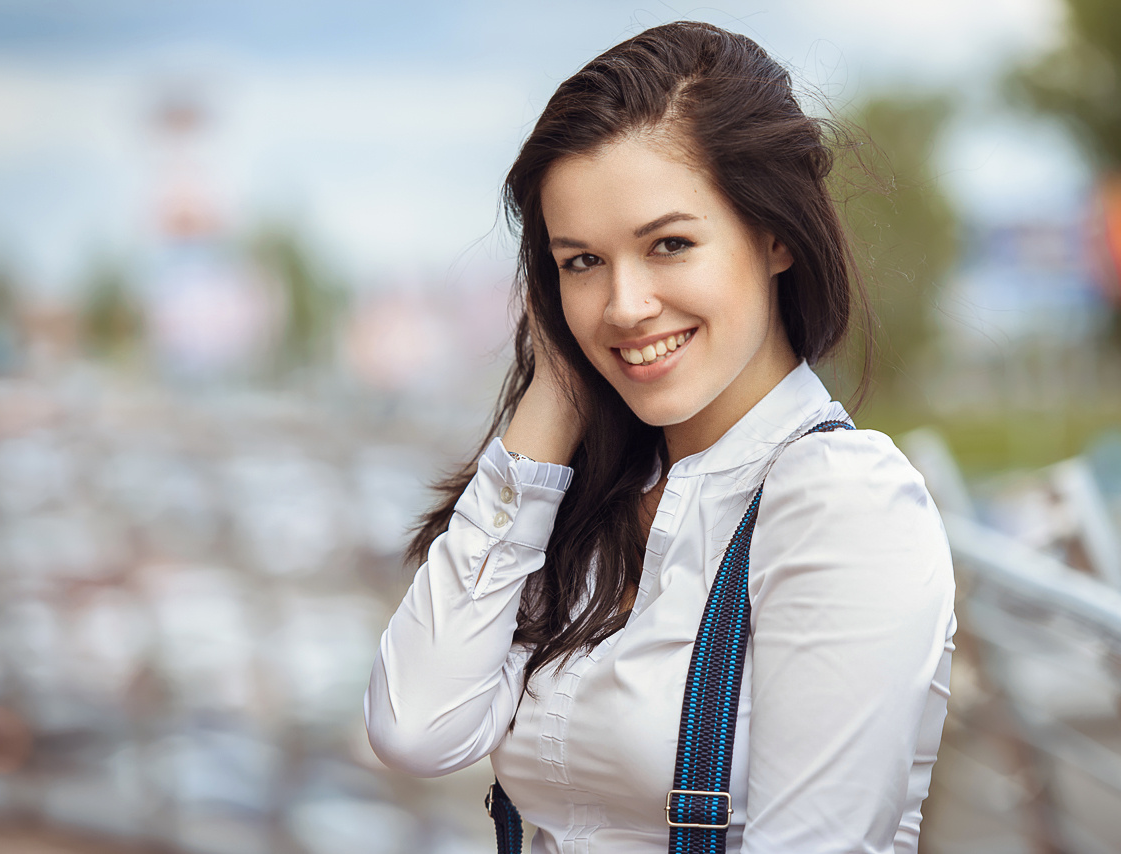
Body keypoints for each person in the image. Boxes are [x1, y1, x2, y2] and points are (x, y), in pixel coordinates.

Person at [364, 21, 955, 854]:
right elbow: (417, 727)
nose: (624, 305)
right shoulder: (598, 495)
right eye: (581, 262)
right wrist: (555, 394)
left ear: (776, 234)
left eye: (668, 245)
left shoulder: (840, 502)